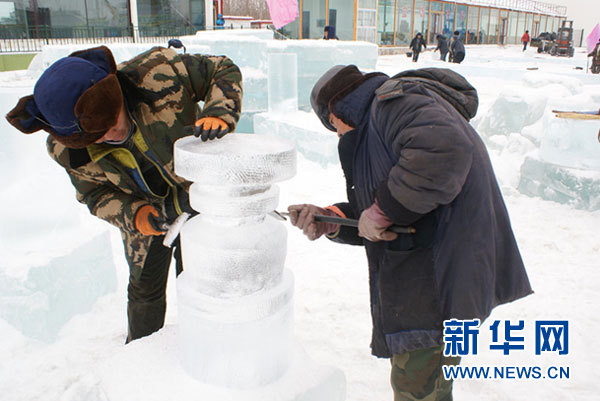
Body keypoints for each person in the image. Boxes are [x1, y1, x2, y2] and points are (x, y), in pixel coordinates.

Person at [289, 65, 532, 400]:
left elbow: (444, 150)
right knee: (426, 385)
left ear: (337, 110)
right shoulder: (382, 120)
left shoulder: (392, 104)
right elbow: (387, 206)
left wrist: (381, 211)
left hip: (440, 281)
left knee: (416, 388)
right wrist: (332, 218)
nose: (338, 134)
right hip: (430, 279)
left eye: (333, 126)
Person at [6, 46, 243, 343]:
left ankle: (205, 344)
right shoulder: (67, 151)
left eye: (112, 120)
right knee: (144, 290)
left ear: (116, 92)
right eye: (97, 136)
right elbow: (94, 196)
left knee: (200, 277)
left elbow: (222, 68)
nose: (111, 134)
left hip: (197, 199)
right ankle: (141, 356)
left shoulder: (159, 71)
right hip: (145, 217)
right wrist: (136, 215)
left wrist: (219, 113)